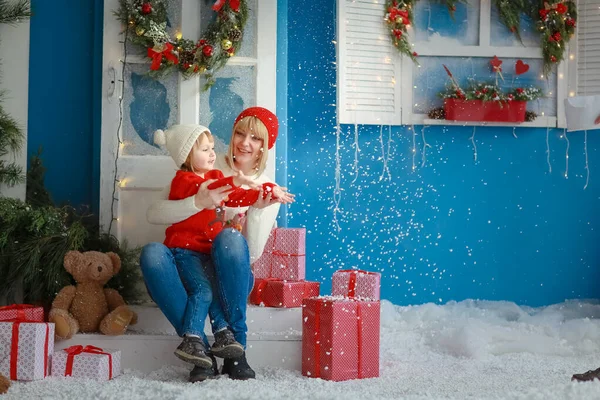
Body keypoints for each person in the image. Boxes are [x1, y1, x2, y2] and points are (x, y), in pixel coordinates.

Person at [140, 107, 289, 382]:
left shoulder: (268, 187)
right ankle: (202, 352)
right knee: (152, 253)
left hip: (229, 275)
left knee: (230, 239)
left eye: (255, 139)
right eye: (240, 134)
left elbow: (251, 254)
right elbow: (154, 213)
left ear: (264, 146)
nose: (245, 143)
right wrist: (198, 202)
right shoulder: (204, 167)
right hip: (190, 259)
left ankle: (236, 351)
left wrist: (256, 209)